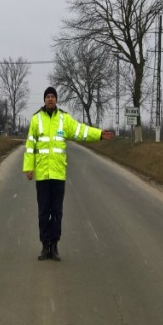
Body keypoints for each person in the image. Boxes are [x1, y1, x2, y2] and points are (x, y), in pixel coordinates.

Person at [23, 86, 115, 261]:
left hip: (58, 175)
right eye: (48, 96)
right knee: (43, 212)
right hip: (42, 176)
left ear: (56, 100)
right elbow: (29, 147)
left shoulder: (64, 119)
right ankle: (44, 246)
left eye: (53, 96)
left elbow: (81, 131)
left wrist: (99, 134)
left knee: (56, 212)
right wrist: (29, 168)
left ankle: (55, 246)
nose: (50, 99)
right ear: (44, 100)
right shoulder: (36, 120)